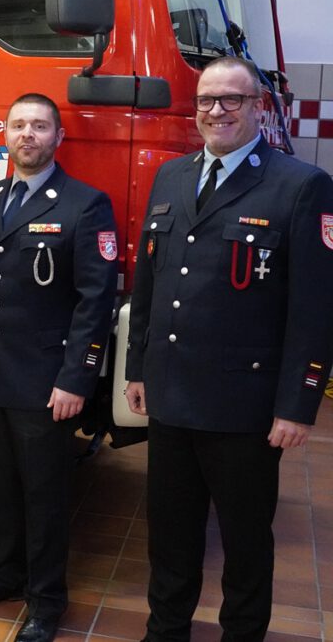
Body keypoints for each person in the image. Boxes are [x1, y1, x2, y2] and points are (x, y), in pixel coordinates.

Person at [125, 56, 333, 641]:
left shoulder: (300, 185)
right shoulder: (172, 176)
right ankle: (166, 631)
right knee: (170, 534)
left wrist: (297, 404)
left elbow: (315, 309)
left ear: (258, 108)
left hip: (245, 407)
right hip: (171, 396)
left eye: (231, 100)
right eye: (206, 100)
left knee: (244, 543)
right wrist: (137, 368)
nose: (216, 110)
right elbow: (149, 284)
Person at [0, 94, 118, 642]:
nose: (28, 134)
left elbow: (95, 300)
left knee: (44, 496)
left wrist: (77, 378)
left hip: (47, 381)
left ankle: (46, 601)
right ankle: (3, 576)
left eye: (40, 126)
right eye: (19, 125)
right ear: (5, 134)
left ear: (58, 137)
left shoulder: (84, 204)